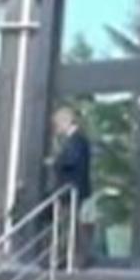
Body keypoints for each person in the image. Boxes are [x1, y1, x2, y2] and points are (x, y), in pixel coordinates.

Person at [51, 106, 94, 268]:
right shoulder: (73, 140)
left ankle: (76, 258)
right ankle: (67, 258)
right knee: (68, 224)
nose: (58, 128)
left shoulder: (77, 140)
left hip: (73, 190)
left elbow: (72, 161)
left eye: (58, 123)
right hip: (69, 190)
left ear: (67, 121)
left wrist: (56, 162)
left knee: (70, 223)